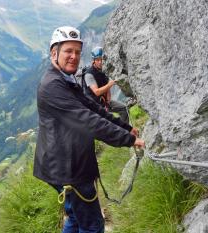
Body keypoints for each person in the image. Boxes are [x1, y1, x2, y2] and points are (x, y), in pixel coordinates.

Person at [34, 26, 145, 233]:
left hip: (63, 163)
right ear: (54, 53)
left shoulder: (65, 79)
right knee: (92, 224)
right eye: (68, 51)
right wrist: (128, 140)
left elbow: (91, 107)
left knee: (76, 218)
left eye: (77, 52)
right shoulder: (52, 86)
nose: (74, 57)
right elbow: (87, 121)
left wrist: (125, 127)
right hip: (69, 169)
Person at [84, 46, 129, 123]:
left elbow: (107, 89)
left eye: (101, 59)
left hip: (103, 102)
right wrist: (110, 84)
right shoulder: (89, 74)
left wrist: (107, 103)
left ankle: (126, 131)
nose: (100, 62)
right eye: (98, 60)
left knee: (123, 108)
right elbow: (96, 92)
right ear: (94, 61)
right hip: (93, 105)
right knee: (107, 123)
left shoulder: (103, 71)